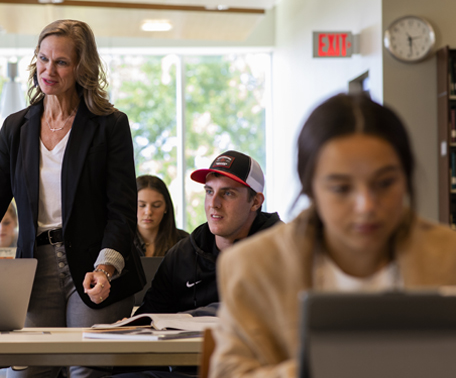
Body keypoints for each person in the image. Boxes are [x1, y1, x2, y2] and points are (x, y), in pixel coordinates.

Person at [211, 94, 456, 377]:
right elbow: (230, 372)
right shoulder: (251, 266)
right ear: (311, 189)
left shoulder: (448, 255)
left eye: (385, 183)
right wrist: (322, 368)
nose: (366, 206)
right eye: (341, 188)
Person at [0, 19, 144, 378]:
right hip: (35, 265)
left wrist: (105, 269)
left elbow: (121, 209)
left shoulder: (110, 125)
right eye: (42, 59)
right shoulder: (17, 127)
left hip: (93, 266)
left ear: (81, 68)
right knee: (30, 372)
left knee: (85, 370)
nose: (48, 70)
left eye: (61, 62)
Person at [135, 151, 281, 316]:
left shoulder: (286, 250)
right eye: (209, 191)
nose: (213, 203)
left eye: (227, 193)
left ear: (255, 202)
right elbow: (149, 316)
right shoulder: (181, 255)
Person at [134, 175, 188, 257]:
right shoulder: (120, 242)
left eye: (156, 205)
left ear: (166, 207)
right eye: (141, 205)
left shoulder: (183, 242)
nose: (148, 212)